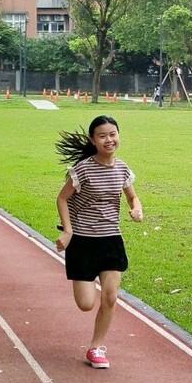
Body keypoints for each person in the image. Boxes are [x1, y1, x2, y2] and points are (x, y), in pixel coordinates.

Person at [55, 115, 143, 369]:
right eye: (102, 136)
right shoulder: (83, 169)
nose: (109, 140)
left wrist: (137, 209)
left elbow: (132, 197)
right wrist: (68, 231)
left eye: (113, 134)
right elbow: (62, 199)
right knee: (86, 304)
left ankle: (96, 347)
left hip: (110, 240)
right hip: (82, 242)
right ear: (93, 140)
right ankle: (89, 279)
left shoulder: (122, 169)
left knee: (110, 296)